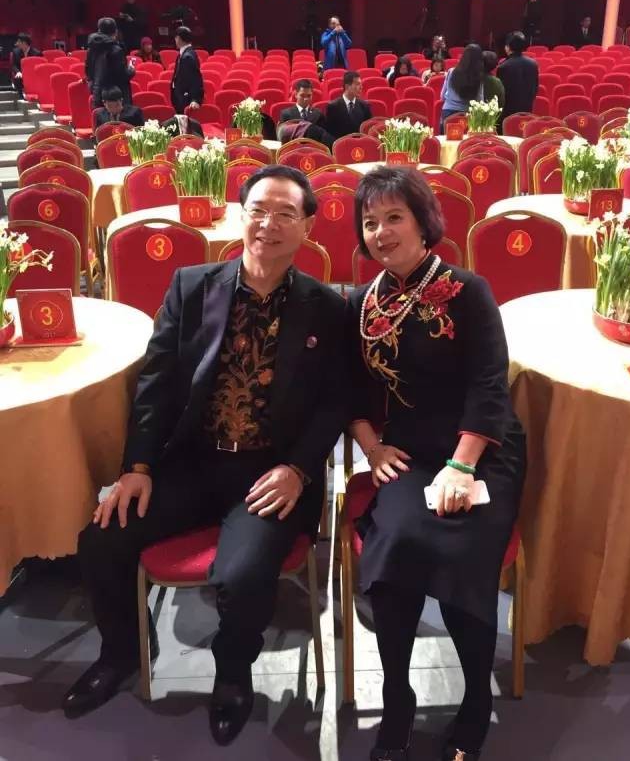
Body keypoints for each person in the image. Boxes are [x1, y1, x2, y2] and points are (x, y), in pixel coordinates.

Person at [61, 164, 347, 745]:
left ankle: (233, 676)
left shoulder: (327, 307)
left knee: (241, 576)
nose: (268, 224)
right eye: (258, 210)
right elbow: (157, 383)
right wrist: (138, 468)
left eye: (285, 213)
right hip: (193, 461)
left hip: (271, 471)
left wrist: (298, 469)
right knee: (102, 539)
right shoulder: (192, 286)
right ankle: (121, 652)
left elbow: (334, 404)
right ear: (241, 215)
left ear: (307, 226)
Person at [346, 166, 525, 761]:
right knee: (394, 549)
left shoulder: (468, 290)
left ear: (423, 223)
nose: (381, 232)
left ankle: (475, 701)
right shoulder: (363, 303)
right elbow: (348, 392)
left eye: (394, 217)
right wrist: (371, 447)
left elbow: (489, 386)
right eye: (370, 222)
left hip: (480, 450)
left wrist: (462, 466)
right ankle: (397, 698)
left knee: (460, 552)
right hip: (407, 453)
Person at [85, 17, 135, 109]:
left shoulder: (91, 49)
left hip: (98, 93)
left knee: (101, 117)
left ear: (99, 30)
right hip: (115, 97)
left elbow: (88, 72)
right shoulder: (116, 50)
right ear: (115, 32)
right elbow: (122, 75)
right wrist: (131, 69)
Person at [440, 43, 484, 131]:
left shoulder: (451, 72)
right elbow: (480, 101)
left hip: (448, 112)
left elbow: (442, 96)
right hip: (469, 115)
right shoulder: (478, 76)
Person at [497, 31, 539, 122]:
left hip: (508, 113)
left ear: (507, 47)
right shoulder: (533, 64)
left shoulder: (503, 66)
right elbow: (535, 87)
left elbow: (501, 93)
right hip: (527, 109)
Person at [324, 71, 372, 139]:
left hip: (360, 143)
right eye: (357, 84)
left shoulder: (365, 106)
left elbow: (368, 131)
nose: (361, 87)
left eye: (361, 84)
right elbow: (329, 133)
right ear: (347, 86)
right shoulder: (333, 107)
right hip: (341, 143)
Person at [171, 26, 204, 113]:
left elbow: (195, 79)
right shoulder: (187, 53)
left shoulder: (187, 57)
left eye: (176, 38)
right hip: (180, 96)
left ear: (178, 38)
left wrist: (195, 99)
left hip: (185, 98)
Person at [10, 33, 42, 99]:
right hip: (21, 74)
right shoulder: (16, 52)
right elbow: (14, 65)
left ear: (24, 43)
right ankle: (21, 97)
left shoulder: (37, 53)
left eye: (19, 42)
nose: (17, 43)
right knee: (17, 78)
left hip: (33, 75)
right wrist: (18, 72)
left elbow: (40, 67)